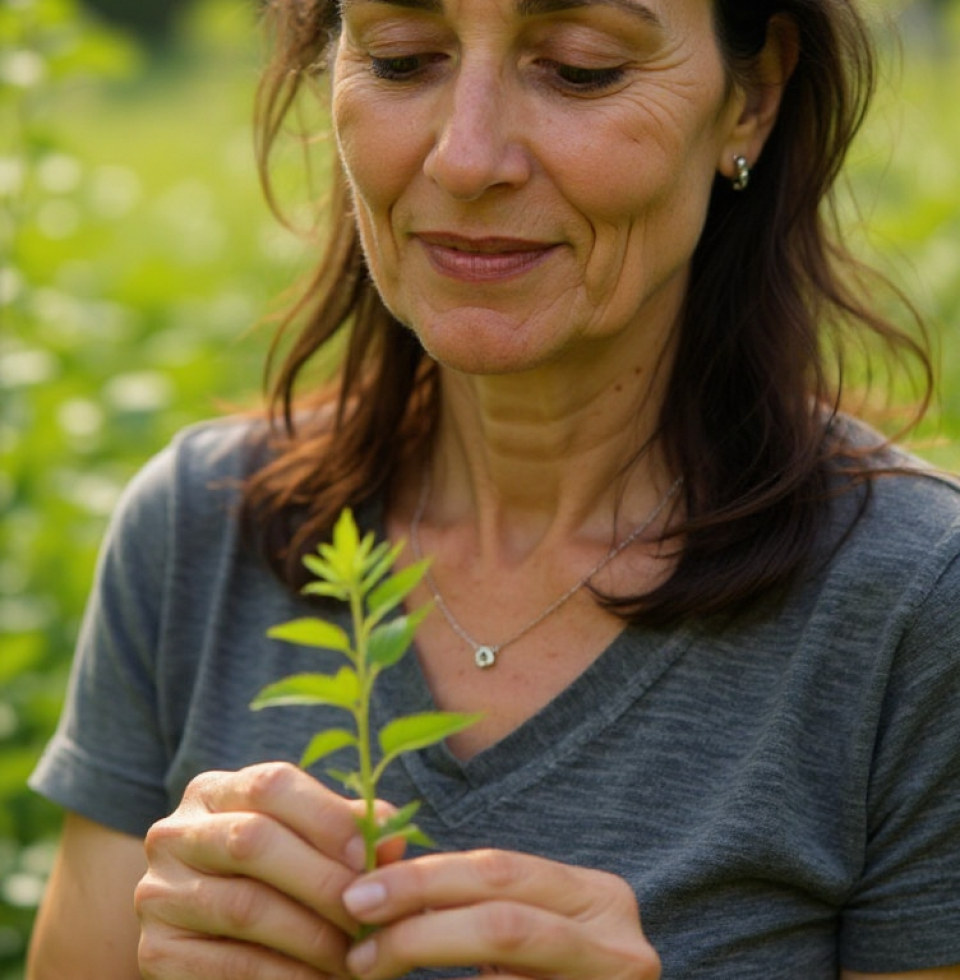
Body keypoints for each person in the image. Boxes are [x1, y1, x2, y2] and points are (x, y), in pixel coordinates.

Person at [24, 0, 960, 977]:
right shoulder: (196, 530)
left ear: (752, 96)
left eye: (580, 67)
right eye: (402, 57)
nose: (468, 158)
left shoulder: (913, 604)